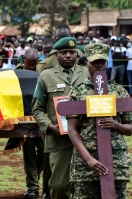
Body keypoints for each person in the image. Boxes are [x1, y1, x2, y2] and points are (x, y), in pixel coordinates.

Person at [67, 43, 132, 199]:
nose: (98, 65)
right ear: (86, 64)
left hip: (116, 159)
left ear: (107, 63)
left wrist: (115, 125)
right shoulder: (77, 92)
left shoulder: (119, 91)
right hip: (85, 160)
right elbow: (72, 130)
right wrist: (89, 160)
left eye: (101, 62)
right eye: (94, 62)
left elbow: (129, 129)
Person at [32, 37, 90, 199]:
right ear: (56, 55)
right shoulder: (45, 76)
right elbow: (37, 109)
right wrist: (50, 127)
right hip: (59, 140)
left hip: (86, 137)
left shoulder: (87, 72)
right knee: (59, 185)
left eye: (72, 52)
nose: (68, 55)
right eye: (64, 52)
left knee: (84, 185)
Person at [15, 48, 45, 198]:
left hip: (43, 118)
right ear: (24, 61)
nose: (32, 68)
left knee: (46, 152)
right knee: (29, 153)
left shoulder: (45, 70)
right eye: (29, 65)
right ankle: (32, 187)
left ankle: (42, 184)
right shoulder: (17, 72)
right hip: (24, 120)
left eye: (35, 65)